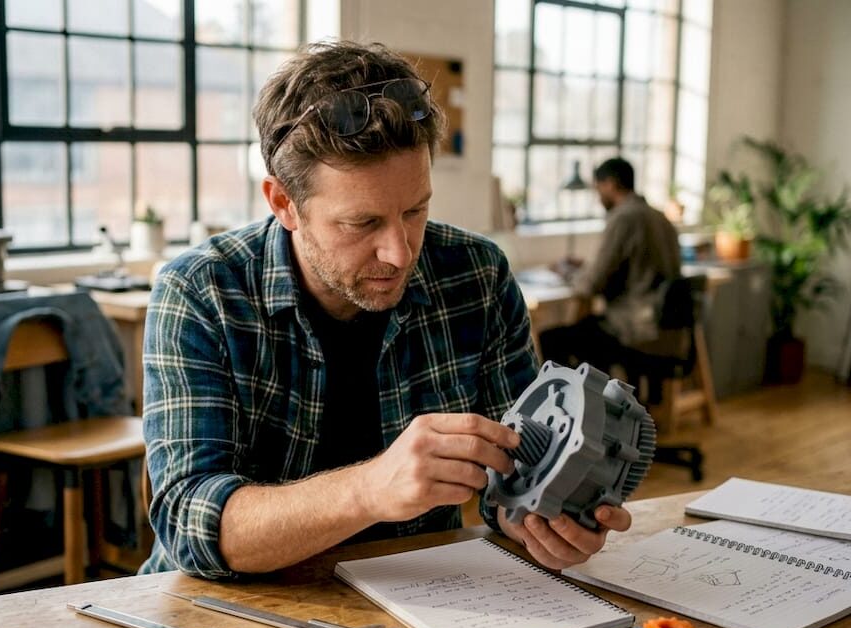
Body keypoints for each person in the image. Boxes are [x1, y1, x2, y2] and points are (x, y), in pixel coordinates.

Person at [141, 41, 631, 580]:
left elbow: (511, 478)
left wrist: (545, 518)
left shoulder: (477, 274)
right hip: (226, 606)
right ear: (284, 203)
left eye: (416, 211)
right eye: (362, 223)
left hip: (420, 594)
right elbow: (189, 525)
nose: (400, 253)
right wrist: (370, 489)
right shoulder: (202, 291)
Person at [541, 158, 683, 372]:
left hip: (633, 328)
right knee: (586, 329)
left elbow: (591, 284)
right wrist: (587, 266)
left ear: (610, 184)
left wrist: (566, 272)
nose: (598, 196)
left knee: (551, 340)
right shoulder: (659, 217)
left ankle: (586, 394)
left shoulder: (623, 218)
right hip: (666, 329)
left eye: (598, 188)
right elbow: (638, 267)